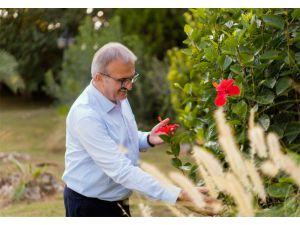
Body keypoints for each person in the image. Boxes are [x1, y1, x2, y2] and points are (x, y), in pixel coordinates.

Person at [62, 42, 200, 217]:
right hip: (89, 206)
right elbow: (121, 170)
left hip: (117, 201)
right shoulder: (85, 115)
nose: (130, 86)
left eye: (132, 78)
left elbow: (120, 137)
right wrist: (178, 194)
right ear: (98, 78)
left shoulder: (119, 95)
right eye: (122, 80)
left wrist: (148, 138)